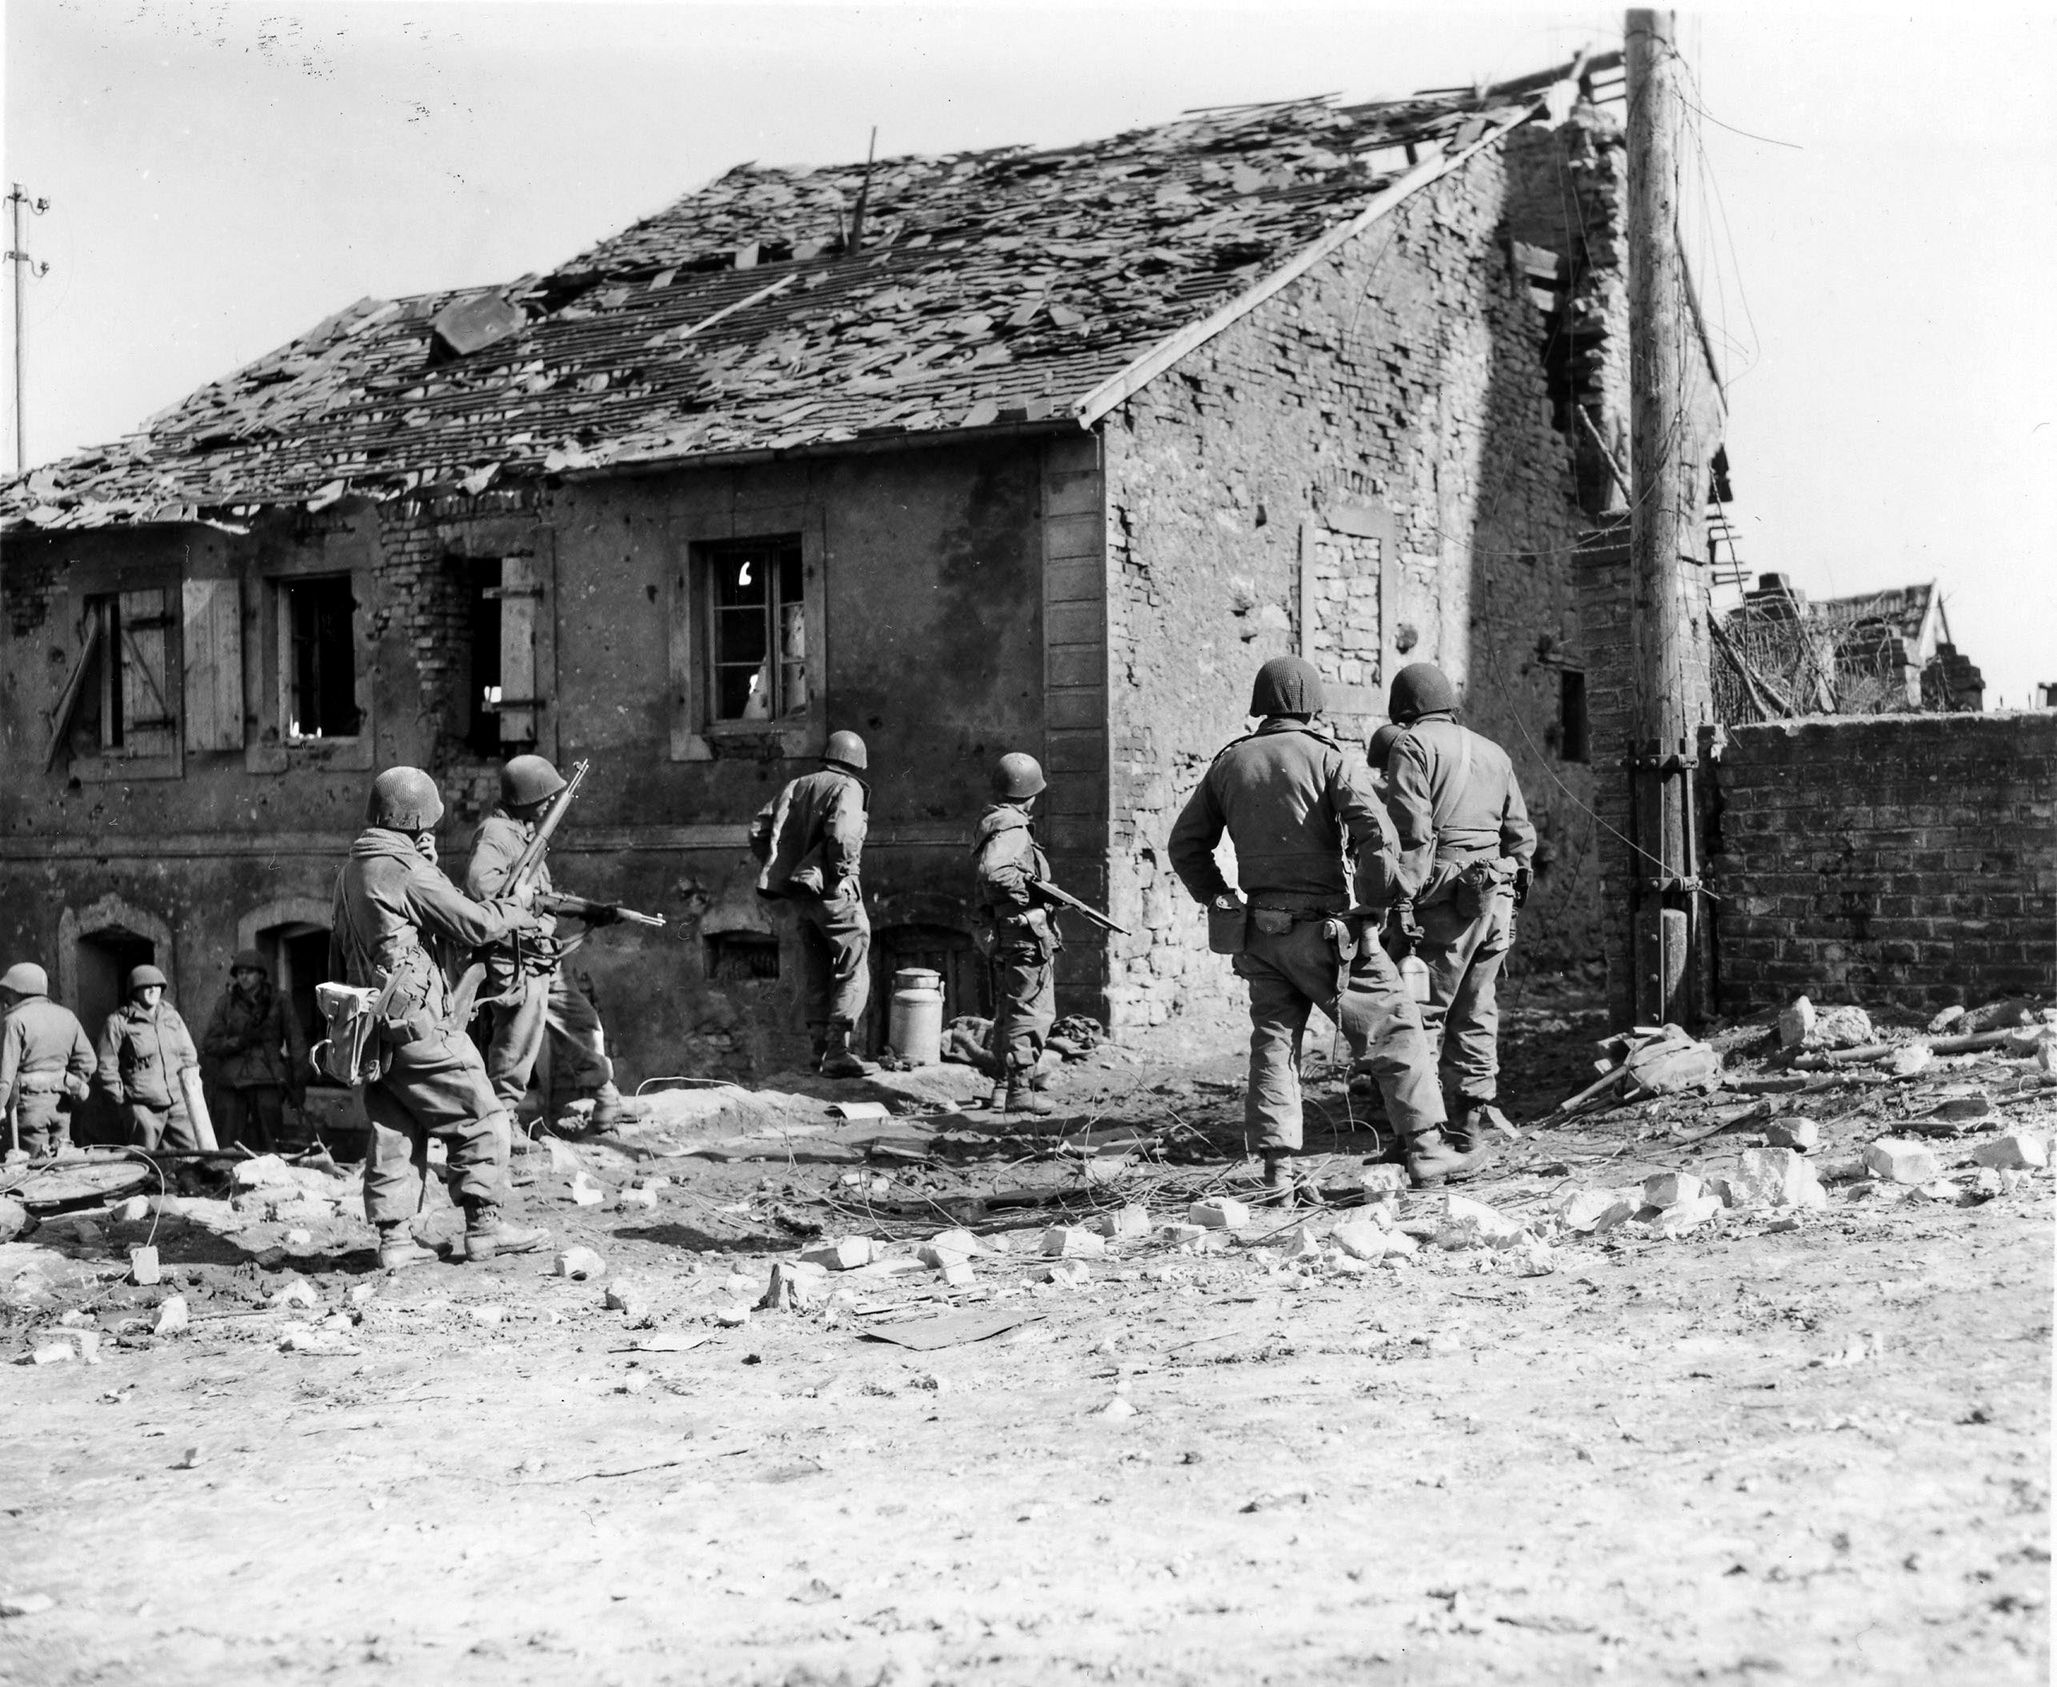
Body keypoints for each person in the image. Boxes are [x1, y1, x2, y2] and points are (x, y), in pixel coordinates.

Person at [1168, 655, 1488, 1198]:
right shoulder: (1327, 760)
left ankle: (1278, 1172)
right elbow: (1378, 836)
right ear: (1314, 707)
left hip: (1261, 934)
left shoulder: (1229, 764)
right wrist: (1373, 901)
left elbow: (1185, 844)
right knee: (1395, 1026)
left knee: (1273, 1043)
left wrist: (1220, 896)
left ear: (1260, 707)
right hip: (1329, 933)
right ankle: (1429, 1150)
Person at [331, 765, 551, 1269]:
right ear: (415, 819)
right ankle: (486, 1229)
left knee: (396, 1125)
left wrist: (423, 864)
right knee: (482, 1112)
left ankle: (396, 1242)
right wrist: (516, 908)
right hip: (417, 1024)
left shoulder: (355, 868)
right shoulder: (402, 868)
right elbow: (472, 924)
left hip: (376, 1030)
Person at [1382, 661, 1537, 1147]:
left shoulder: (1411, 745)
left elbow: (1413, 833)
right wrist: (1508, 898)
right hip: (1496, 896)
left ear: (1405, 710)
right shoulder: (1495, 751)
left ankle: (1420, 1136)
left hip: (1445, 896)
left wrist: (1400, 902)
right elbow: (1521, 837)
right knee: (1476, 1009)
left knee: (1420, 1012)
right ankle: (1469, 1127)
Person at [464, 755, 640, 1130]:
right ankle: (503, 1124)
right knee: (517, 1043)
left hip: (541, 953)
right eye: (544, 795)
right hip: (516, 956)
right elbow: (482, 886)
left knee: (581, 1022)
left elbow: (543, 895)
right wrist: (524, 899)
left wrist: (589, 910)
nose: (548, 803)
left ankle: (605, 1096)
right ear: (526, 796)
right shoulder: (496, 833)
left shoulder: (525, 833)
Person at [751, 731, 874, 1079]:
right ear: (855, 761)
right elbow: (842, 837)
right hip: (834, 893)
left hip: (803, 895)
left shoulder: (798, 784)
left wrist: (783, 866)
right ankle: (838, 1051)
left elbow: (758, 830)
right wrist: (838, 873)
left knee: (817, 966)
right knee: (853, 960)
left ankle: (818, 1051)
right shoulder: (847, 787)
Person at [972, 752, 1061, 1116]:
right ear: (1030, 793)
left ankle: (1001, 1088)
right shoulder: (1012, 827)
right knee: (1032, 1009)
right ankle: (1021, 1092)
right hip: (1024, 933)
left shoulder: (994, 822)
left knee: (1009, 1008)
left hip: (1008, 931)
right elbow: (993, 871)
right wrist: (1029, 896)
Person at [200, 949, 306, 1152]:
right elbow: (210, 1044)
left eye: (249, 972)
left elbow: (296, 1041)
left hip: (267, 1077)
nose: (244, 977)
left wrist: (298, 1081)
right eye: (240, 972)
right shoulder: (226, 1003)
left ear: (261, 974)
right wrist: (239, 1041)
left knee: (271, 1143)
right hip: (232, 1081)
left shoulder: (279, 1000)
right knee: (226, 1143)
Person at [96, 965, 202, 1151]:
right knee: (144, 1160)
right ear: (134, 990)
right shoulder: (119, 1022)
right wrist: (124, 1099)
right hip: (143, 1107)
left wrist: (188, 1088)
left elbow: (188, 1054)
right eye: (147, 986)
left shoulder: (171, 1016)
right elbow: (106, 1066)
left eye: (158, 986)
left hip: (177, 1103)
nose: (153, 990)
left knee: (190, 1159)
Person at [0, 962, 95, 1158]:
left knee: (29, 1173)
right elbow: (88, 1061)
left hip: (27, 1108)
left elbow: (4, 1079)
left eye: (8, 991)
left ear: (18, 989)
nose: (6, 996)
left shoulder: (14, 1021)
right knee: (60, 1164)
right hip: (61, 1107)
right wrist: (67, 1082)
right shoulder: (67, 1016)